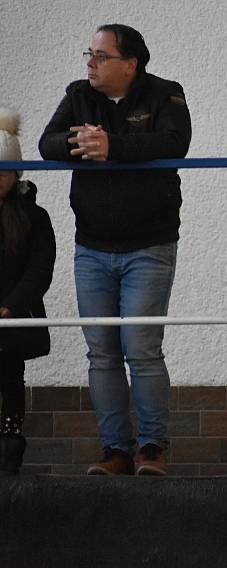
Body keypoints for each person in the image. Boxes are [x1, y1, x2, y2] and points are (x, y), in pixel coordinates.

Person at [38, 24, 191, 476]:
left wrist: (113, 146)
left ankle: (151, 449)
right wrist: (77, 143)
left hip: (149, 244)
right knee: (101, 351)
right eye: (90, 54)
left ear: (131, 64)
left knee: (141, 348)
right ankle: (115, 452)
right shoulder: (78, 94)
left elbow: (174, 143)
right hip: (92, 246)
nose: (91, 63)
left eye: (101, 56)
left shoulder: (166, 94)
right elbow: (47, 144)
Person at [0, 109, 56, 475]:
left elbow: (40, 270)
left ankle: (9, 451)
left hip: (13, 320)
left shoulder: (35, 218)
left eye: (3, 172)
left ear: (17, 174)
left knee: (10, 377)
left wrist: (9, 307)